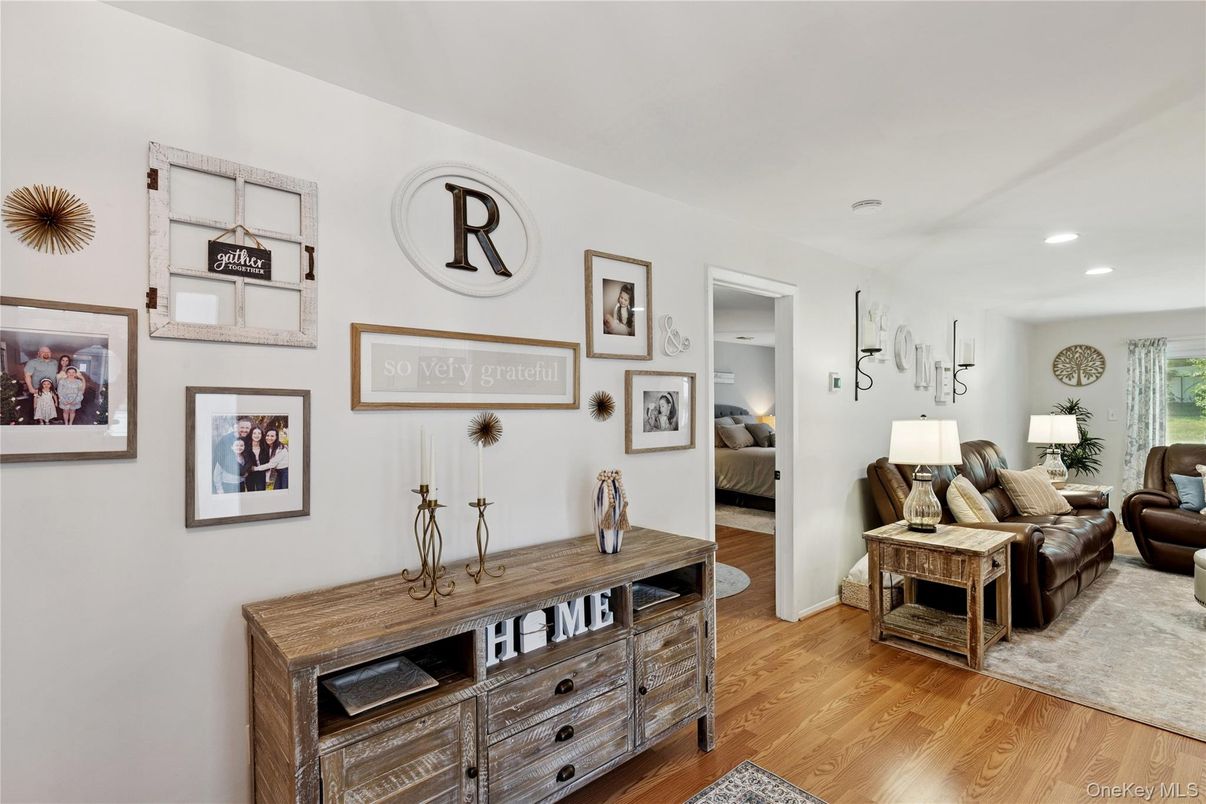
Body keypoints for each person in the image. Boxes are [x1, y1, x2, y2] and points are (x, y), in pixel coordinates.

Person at [213, 418, 252, 493]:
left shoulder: (247, 439)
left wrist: (245, 472)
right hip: (227, 483)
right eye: (242, 427)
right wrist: (219, 488)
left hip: (240, 484)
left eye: (247, 428)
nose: (245, 430)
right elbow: (219, 463)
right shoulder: (226, 440)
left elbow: (248, 460)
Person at [244, 426, 269, 492]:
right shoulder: (246, 447)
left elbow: (268, 463)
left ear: (262, 435)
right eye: (254, 433)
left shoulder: (265, 447)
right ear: (251, 434)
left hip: (261, 473)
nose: (257, 435)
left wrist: (267, 478)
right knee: (250, 492)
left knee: (261, 493)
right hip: (249, 474)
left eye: (259, 433)